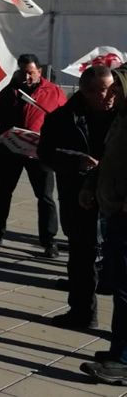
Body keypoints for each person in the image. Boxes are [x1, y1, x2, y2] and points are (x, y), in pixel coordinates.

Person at [39, 65, 117, 330]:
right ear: (83, 91)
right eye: (95, 91)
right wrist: (76, 162)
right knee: (81, 255)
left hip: (115, 196)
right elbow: (46, 153)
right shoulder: (63, 118)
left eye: (107, 89)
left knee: (113, 257)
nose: (103, 97)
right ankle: (82, 312)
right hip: (77, 194)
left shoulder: (121, 116)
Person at [0, 54, 67, 256]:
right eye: (22, 72)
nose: (26, 77)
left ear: (39, 70)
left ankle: (48, 240)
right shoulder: (8, 90)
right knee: (3, 192)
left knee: (45, 196)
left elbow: (64, 121)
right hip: (11, 149)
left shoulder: (53, 92)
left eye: (30, 72)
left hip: (39, 152)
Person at [79, 69, 127, 385]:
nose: (111, 95)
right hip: (114, 211)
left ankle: (122, 362)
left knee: (126, 292)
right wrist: (92, 186)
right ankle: (117, 351)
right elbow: (110, 158)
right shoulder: (121, 118)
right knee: (120, 287)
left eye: (117, 89)